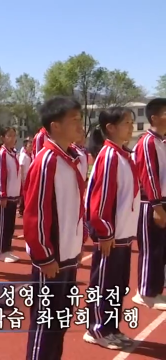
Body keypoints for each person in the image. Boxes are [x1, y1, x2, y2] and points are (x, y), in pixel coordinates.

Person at [24, 96, 86, 360]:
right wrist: (44, 256)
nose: (79, 125)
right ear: (55, 126)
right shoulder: (46, 161)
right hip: (52, 259)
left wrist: (78, 243)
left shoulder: (71, 158)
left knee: (61, 319)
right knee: (45, 324)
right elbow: (34, 213)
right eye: (73, 120)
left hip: (69, 255)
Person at [83, 107, 139, 349]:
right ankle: (95, 328)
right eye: (127, 122)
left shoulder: (124, 155)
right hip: (111, 235)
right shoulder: (109, 156)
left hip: (124, 234)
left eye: (131, 122)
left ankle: (111, 326)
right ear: (111, 128)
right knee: (103, 283)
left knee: (117, 284)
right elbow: (100, 198)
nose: (131, 127)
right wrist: (104, 232)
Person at [132, 98, 166, 310]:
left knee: (161, 249)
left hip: (161, 201)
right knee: (151, 248)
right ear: (154, 117)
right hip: (150, 204)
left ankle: (155, 289)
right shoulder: (147, 142)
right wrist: (156, 206)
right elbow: (149, 176)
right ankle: (145, 292)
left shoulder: (162, 141)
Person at [0, 127, 21, 263]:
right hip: (5, 195)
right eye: (9, 135)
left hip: (14, 194)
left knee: (10, 224)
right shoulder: (2, 154)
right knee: (3, 224)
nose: (12, 138)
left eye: (14, 135)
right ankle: (0, 251)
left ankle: (7, 249)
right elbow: (0, 175)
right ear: (3, 138)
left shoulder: (14, 153)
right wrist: (2, 194)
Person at [17, 139, 32, 218]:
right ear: (25, 147)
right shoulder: (23, 155)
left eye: (31, 146)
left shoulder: (30, 155)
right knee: (23, 195)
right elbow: (21, 167)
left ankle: (23, 209)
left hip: (28, 177)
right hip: (24, 177)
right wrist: (22, 179)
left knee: (26, 194)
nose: (31, 147)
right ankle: (21, 210)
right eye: (29, 146)